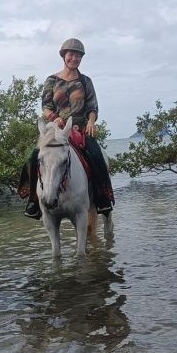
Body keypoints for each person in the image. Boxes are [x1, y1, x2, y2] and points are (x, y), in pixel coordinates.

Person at [20, 38, 114, 219]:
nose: (74, 58)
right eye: (71, 54)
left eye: (78, 55)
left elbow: (92, 108)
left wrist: (91, 122)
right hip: (55, 129)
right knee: (32, 156)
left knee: (96, 155)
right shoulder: (52, 80)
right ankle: (33, 201)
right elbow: (46, 107)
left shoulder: (86, 81)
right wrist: (56, 119)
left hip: (80, 127)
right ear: (64, 56)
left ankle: (103, 198)